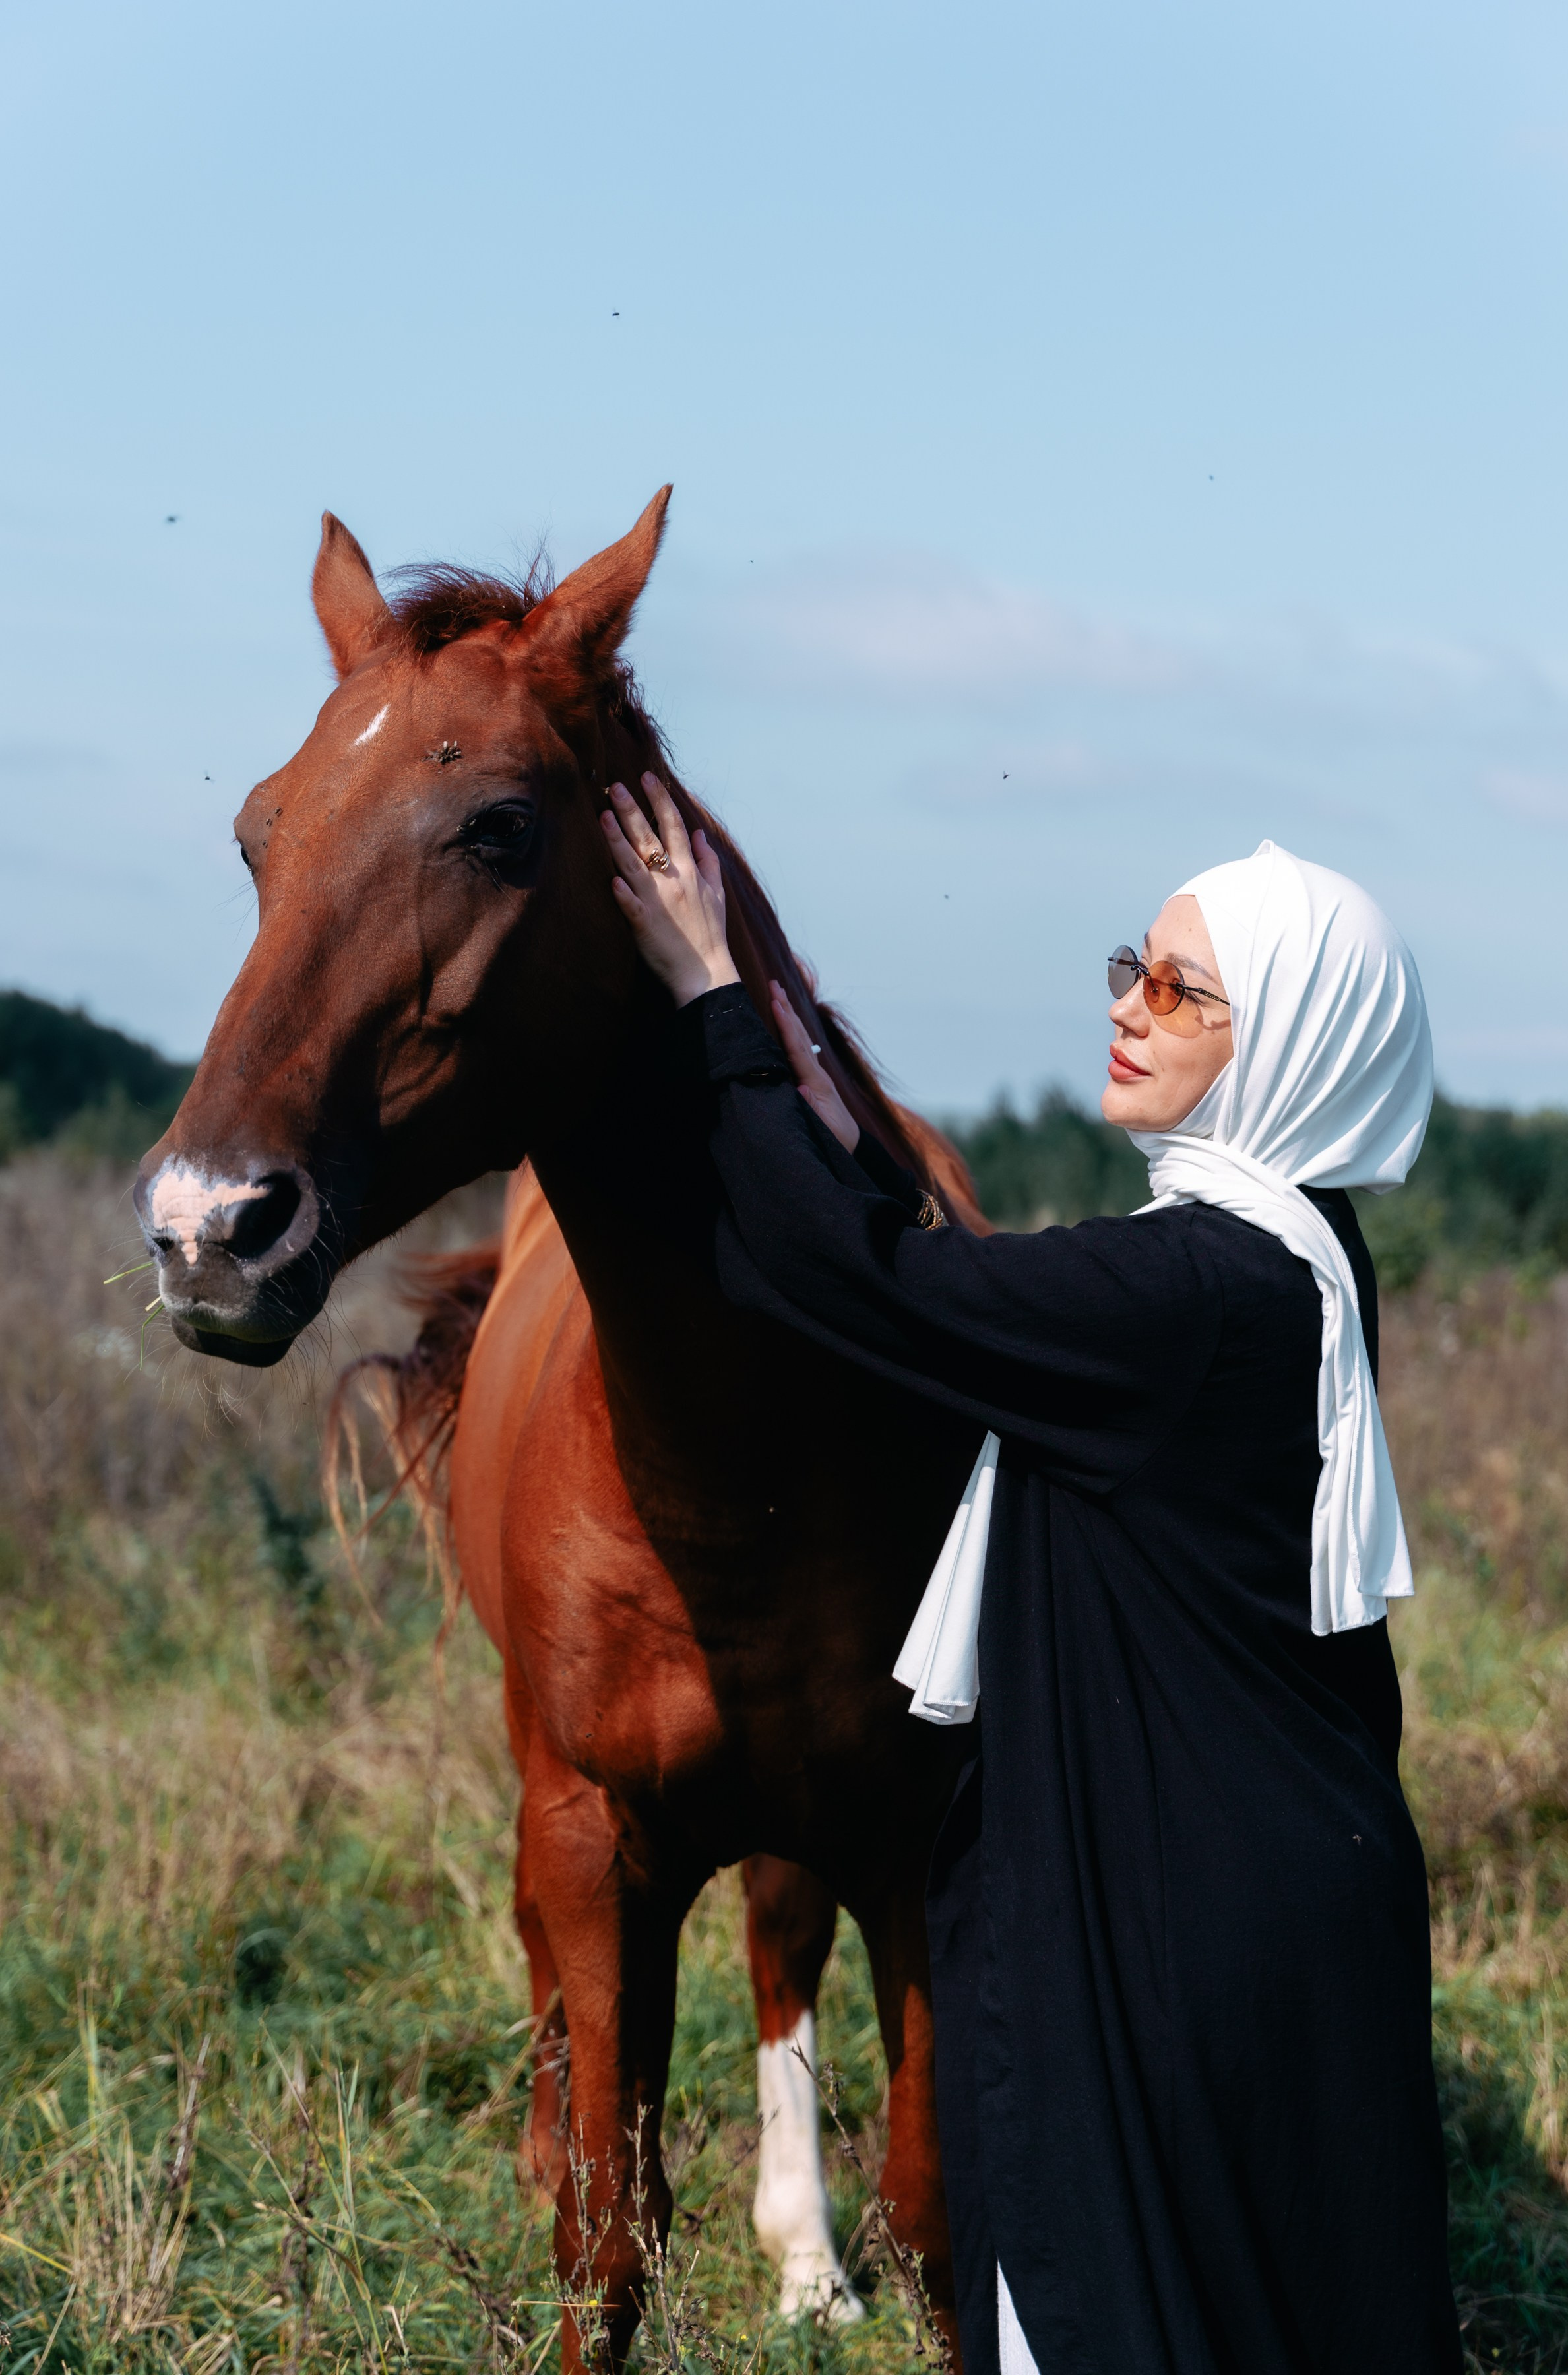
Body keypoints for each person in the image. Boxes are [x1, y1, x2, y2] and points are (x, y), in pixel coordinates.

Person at [600, 776, 1461, 2375]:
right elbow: (939, 1276)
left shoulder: (1188, 1291)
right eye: (1133, 965)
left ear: (1295, 1046)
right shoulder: (1295, 1249)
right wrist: (806, 1079)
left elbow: (859, 1280)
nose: (1135, 1009)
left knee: (1105, 2299)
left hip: (1177, 1915)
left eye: (1188, 991)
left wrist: (716, 1001)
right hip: (1281, 1874)